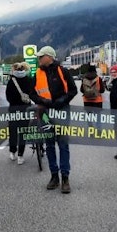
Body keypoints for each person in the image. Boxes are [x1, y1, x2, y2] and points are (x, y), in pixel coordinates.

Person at [28, 46, 77, 194]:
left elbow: (73, 90)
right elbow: (32, 94)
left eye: (41, 56)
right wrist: (44, 101)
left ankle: (65, 177)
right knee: (49, 144)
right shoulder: (36, 73)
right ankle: (54, 176)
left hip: (61, 111)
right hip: (45, 112)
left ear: (49, 57)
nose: (38, 59)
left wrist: (61, 101)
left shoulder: (63, 71)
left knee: (63, 144)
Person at [5, 62, 33, 165]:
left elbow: (8, 96)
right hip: (26, 109)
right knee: (23, 132)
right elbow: (32, 94)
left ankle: (12, 152)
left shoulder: (11, 81)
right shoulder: (29, 80)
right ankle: (20, 156)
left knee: (13, 132)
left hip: (13, 109)